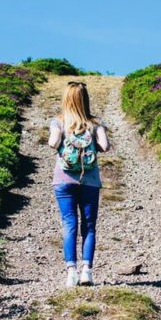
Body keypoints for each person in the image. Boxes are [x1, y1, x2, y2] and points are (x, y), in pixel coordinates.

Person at [47, 80, 110, 287]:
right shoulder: (95, 124)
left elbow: (52, 143)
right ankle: (87, 271)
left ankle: (71, 272)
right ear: (85, 100)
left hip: (64, 180)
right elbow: (105, 146)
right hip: (90, 181)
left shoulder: (58, 122)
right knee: (89, 226)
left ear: (66, 99)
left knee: (69, 223)